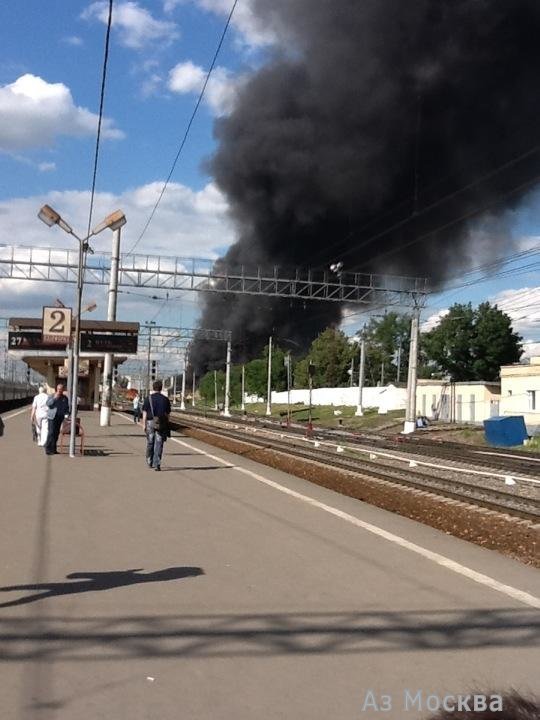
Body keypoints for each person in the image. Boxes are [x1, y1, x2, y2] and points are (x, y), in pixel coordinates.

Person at [142, 380, 171, 471]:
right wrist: (167, 423)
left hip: (150, 422)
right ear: (161, 388)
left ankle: (149, 460)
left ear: (153, 388)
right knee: (159, 442)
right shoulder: (165, 399)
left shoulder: (148, 398)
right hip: (161, 423)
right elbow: (167, 414)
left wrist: (144, 424)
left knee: (150, 442)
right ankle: (157, 464)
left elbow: (144, 413)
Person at [44, 383, 70, 456]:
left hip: (60, 418)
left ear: (63, 390)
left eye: (61, 390)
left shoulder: (65, 398)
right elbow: (48, 404)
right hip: (52, 417)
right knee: (51, 432)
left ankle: (54, 449)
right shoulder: (52, 396)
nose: (60, 391)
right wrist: (55, 398)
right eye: (58, 389)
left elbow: (67, 408)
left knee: (56, 433)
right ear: (56, 389)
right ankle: (48, 449)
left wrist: (67, 414)